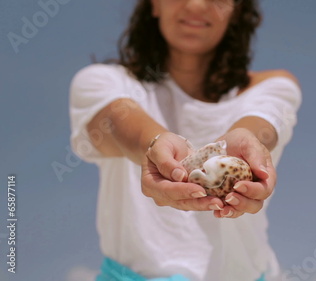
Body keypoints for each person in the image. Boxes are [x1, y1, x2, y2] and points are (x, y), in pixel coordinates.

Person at [69, 0, 301, 280]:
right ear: (154, 5)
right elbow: (120, 126)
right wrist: (154, 144)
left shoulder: (273, 85)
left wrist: (245, 139)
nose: (196, 4)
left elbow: (263, 122)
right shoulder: (101, 83)